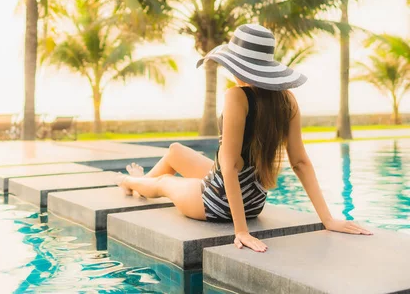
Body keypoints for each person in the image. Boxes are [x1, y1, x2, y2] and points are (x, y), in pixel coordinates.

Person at [116, 23, 372, 253]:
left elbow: (229, 165)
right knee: (174, 151)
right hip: (253, 201)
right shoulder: (287, 100)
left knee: (163, 182)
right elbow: (300, 162)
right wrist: (328, 219)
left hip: (216, 203)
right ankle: (141, 183)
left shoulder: (236, 96)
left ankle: (130, 181)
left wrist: (241, 231)